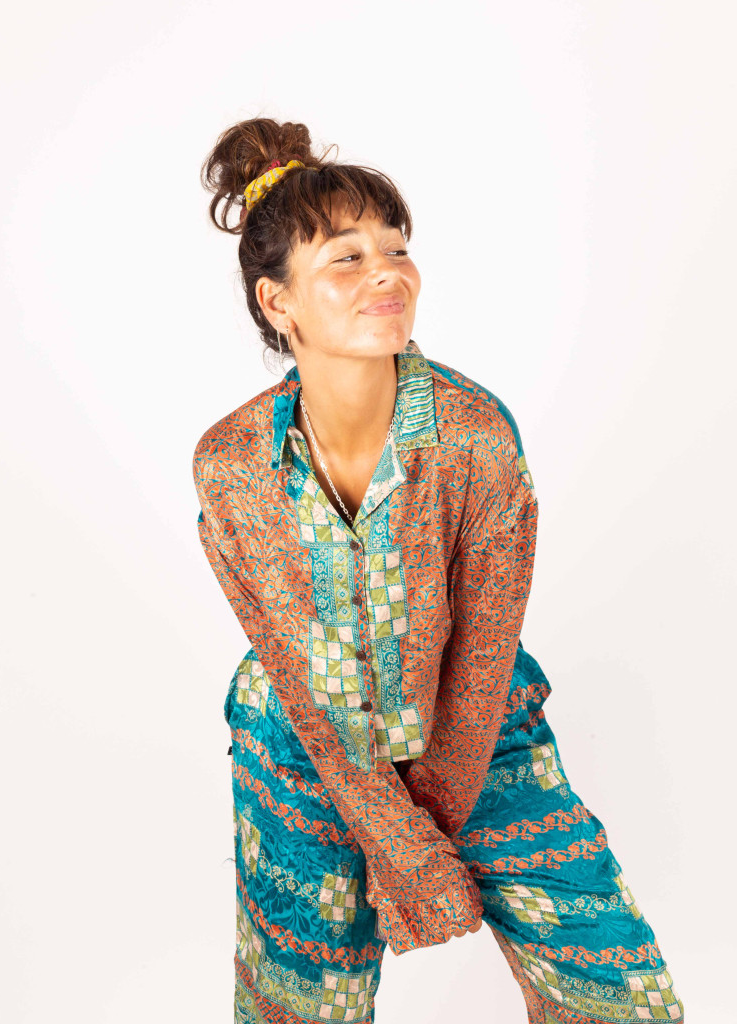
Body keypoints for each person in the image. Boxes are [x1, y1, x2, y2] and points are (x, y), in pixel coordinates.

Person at [192, 117, 684, 1023]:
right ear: (278, 301)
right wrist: (394, 841)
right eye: (347, 259)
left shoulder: (473, 437)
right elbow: (292, 672)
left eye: (397, 249)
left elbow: (485, 653)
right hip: (305, 750)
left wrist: (423, 839)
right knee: (298, 1006)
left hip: (478, 738)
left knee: (621, 998)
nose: (388, 273)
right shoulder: (231, 465)